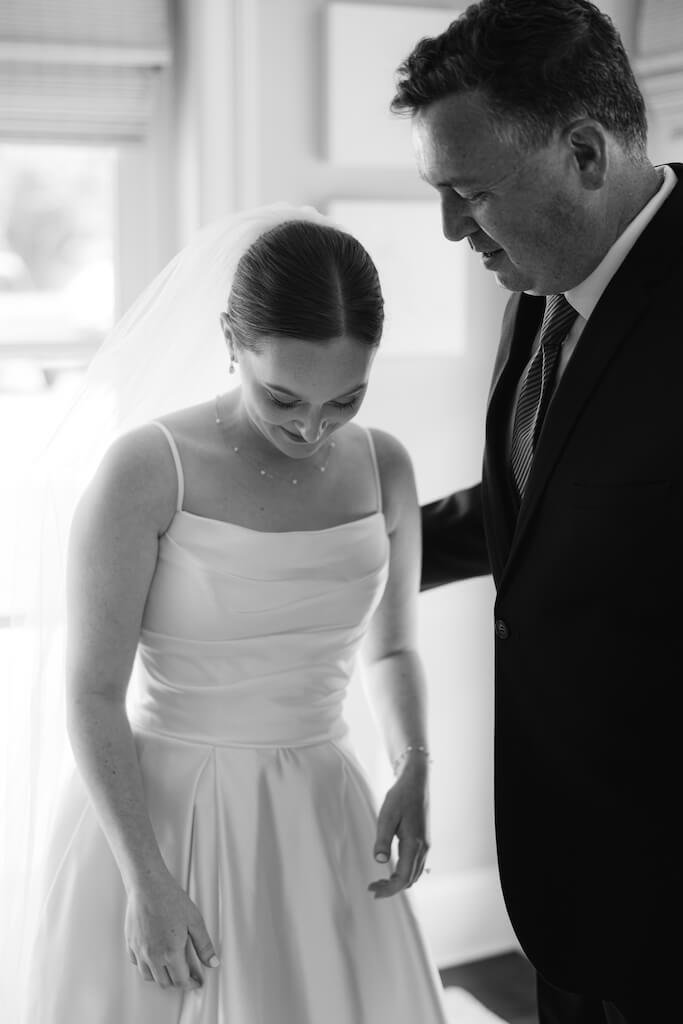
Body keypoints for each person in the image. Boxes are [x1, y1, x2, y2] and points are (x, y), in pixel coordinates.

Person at [13, 206, 448, 1023]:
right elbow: (92, 693)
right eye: (282, 396)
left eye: (345, 399)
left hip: (321, 812)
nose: (311, 427)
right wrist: (147, 879)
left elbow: (390, 652)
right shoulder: (147, 469)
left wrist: (415, 759)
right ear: (230, 341)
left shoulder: (385, 464)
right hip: (164, 817)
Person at [391, 2, 682, 1022]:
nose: (450, 230)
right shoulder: (536, 280)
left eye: (469, 193)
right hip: (562, 884)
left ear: (586, 153)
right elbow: (537, 497)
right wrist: (354, 546)